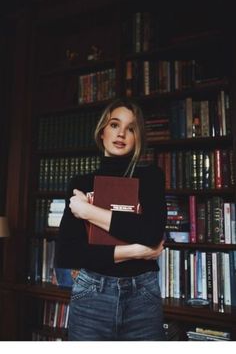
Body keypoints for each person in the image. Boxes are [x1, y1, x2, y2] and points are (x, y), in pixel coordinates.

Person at [55, 98, 167, 341]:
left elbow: (151, 233)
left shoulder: (151, 177)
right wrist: (137, 252)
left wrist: (89, 212)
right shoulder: (80, 184)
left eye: (131, 128)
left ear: (138, 137)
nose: (122, 133)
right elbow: (68, 252)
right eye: (115, 125)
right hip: (92, 293)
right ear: (102, 132)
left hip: (143, 294)